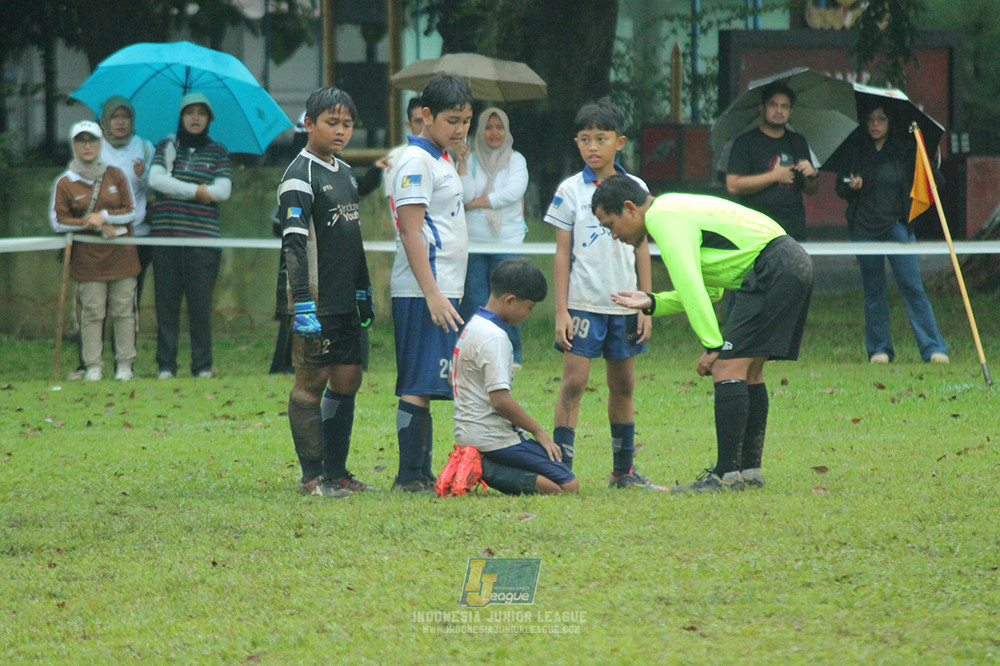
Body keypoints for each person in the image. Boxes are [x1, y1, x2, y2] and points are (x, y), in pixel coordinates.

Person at [592, 174, 814, 493]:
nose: (613, 235)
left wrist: (713, 345)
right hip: (789, 261)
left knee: (727, 368)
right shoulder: (673, 208)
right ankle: (748, 472)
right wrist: (654, 301)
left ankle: (724, 477)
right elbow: (709, 291)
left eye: (610, 224)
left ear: (629, 209)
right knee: (748, 372)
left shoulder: (662, 218)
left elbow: (692, 286)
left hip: (772, 268)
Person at [543, 98, 662, 490]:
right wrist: (561, 311)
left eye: (602, 138)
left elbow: (642, 246)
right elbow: (562, 253)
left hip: (625, 304)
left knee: (624, 385)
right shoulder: (569, 190)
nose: (593, 147)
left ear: (620, 142)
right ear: (576, 143)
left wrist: (646, 303)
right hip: (582, 304)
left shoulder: (637, 189)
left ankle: (623, 472)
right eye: (585, 139)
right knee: (574, 383)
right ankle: (562, 470)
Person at [277, 87, 375, 497]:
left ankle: (337, 472)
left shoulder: (346, 173)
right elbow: (294, 246)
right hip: (314, 301)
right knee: (310, 384)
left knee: (348, 379)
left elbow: (353, 239)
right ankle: (312, 478)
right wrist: (302, 302)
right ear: (309, 124)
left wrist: (364, 287)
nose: (340, 131)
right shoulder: (298, 177)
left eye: (347, 124)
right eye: (331, 123)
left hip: (346, 300)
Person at [389, 73, 474, 493]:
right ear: (425, 116)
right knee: (418, 382)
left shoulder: (440, 158)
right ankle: (409, 477)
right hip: (423, 290)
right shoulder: (415, 162)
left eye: (466, 121)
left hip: (444, 288)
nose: (460, 129)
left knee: (431, 379)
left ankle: (420, 473)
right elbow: (410, 232)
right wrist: (432, 293)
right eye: (453, 120)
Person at [452, 257, 578, 494]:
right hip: (493, 438)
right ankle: (484, 468)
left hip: (467, 432)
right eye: (529, 307)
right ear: (510, 300)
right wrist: (539, 431)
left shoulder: (473, 326)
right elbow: (500, 400)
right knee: (569, 485)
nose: (529, 314)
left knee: (555, 476)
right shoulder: (495, 338)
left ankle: (476, 459)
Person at [835, 105, 949, 364]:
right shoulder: (856, 150)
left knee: (912, 287)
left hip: (898, 226)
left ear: (890, 123)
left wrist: (926, 179)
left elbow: (933, 180)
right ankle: (879, 350)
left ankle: (933, 349)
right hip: (863, 228)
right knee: (874, 290)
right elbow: (840, 187)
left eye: (881, 119)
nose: (875, 124)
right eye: (871, 119)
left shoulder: (906, 150)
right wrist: (852, 186)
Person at [148, 92, 232, 379]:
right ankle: (166, 365)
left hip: (203, 241)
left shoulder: (218, 151)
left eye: (201, 113)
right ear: (181, 117)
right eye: (189, 112)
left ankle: (202, 366)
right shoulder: (166, 146)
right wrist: (197, 190)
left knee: (200, 307)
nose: (195, 118)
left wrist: (176, 185)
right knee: (166, 306)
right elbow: (156, 180)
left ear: (209, 118)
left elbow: (223, 191)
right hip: (166, 238)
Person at [49, 121, 140, 381]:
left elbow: (132, 211)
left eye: (92, 140)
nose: (87, 146)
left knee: (123, 311)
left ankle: (125, 365)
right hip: (87, 260)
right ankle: (93, 367)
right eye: (81, 141)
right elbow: (58, 221)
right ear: (73, 145)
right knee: (92, 313)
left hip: (122, 257)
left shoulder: (116, 175)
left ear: (100, 144)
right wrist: (92, 224)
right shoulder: (65, 182)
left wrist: (105, 216)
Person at [454, 107, 529, 365]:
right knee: (475, 298)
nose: (494, 132)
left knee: (510, 298)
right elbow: (465, 195)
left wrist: (479, 203)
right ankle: (474, 352)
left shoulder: (516, 160)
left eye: (499, 127)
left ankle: (512, 354)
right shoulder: (470, 159)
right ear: (480, 130)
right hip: (473, 242)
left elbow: (513, 192)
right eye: (488, 127)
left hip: (507, 241)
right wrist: (462, 164)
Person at [725, 82, 819, 240]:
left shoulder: (798, 141)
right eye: (773, 105)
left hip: (793, 228)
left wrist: (812, 175)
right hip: (755, 229)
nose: (779, 111)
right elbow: (733, 186)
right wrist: (774, 176)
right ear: (762, 108)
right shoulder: (745, 142)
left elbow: (810, 189)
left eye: (784, 106)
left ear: (791, 111)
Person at [99, 96, 155, 304]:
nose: (120, 122)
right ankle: (97, 336)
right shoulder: (96, 147)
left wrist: (144, 175)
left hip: (138, 233)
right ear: (105, 120)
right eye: (115, 117)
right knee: (102, 295)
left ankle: (125, 338)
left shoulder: (145, 147)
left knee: (130, 296)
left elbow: (156, 187)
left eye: (125, 117)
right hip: (105, 233)